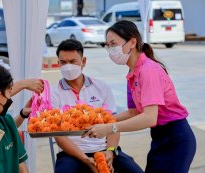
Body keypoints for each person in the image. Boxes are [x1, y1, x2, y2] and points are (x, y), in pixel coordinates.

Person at [82, 20, 196, 173]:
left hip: (175, 137)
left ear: (132, 42)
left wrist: (109, 128)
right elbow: (133, 112)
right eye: (108, 45)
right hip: (159, 136)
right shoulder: (132, 73)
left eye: (114, 44)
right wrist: (100, 119)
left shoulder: (148, 71)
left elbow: (149, 117)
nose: (110, 49)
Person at [51, 39, 143, 173]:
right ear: (58, 63)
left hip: (105, 149)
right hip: (72, 154)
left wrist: (110, 151)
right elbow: (59, 137)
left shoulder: (101, 87)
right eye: (63, 62)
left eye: (73, 61)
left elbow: (113, 123)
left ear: (83, 62)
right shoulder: (53, 93)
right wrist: (86, 160)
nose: (68, 66)